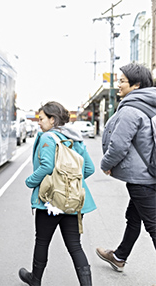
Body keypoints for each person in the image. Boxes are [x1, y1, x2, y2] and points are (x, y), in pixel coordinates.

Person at [19, 101, 96, 286]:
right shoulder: (76, 138)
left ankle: (35, 280)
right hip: (73, 201)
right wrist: (70, 183)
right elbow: (89, 168)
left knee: (42, 241)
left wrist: (30, 182)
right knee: (75, 246)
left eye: (41, 118)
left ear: (52, 120)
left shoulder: (48, 138)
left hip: (50, 202)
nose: (39, 122)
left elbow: (47, 166)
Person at [97, 63, 156, 272]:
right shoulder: (151, 103)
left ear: (136, 85)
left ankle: (119, 256)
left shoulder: (132, 109)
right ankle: (119, 256)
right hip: (151, 174)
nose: (118, 85)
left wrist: (106, 165)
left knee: (153, 226)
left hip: (142, 180)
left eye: (122, 81)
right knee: (134, 217)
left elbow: (119, 145)